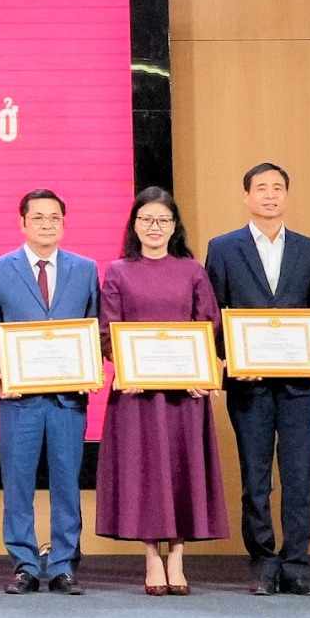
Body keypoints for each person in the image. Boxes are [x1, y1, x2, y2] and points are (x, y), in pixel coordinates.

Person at [204, 162, 310, 596]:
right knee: (255, 476)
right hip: (249, 383)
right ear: (246, 196)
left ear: (287, 195)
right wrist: (230, 359)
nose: (270, 195)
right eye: (261, 188)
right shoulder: (222, 248)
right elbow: (214, 315)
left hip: (299, 386)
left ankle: (297, 563)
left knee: (299, 475)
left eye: (278, 188)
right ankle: (263, 560)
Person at [94, 187, 228, 596]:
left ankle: (178, 557)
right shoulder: (117, 270)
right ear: (134, 225)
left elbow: (209, 325)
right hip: (137, 394)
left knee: (183, 469)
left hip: (184, 394)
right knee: (146, 474)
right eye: (147, 220)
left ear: (175, 227)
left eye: (163, 221)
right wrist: (126, 366)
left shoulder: (192, 270)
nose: (155, 227)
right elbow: (107, 331)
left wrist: (202, 369)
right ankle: (152, 557)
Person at [0, 188, 98, 596]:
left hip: (68, 399)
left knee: (67, 482)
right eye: (38, 217)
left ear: (63, 224)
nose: (46, 224)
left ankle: (65, 564)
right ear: (23, 222)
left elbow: (94, 326)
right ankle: (25, 564)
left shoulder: (86, 270)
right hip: (18, 400)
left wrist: (90, 367)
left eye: (54, 218)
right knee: (17, 484)